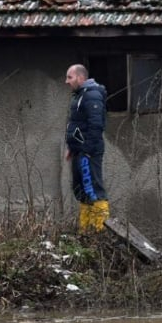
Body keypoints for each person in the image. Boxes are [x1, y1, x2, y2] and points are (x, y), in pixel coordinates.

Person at [64, 64, 110, 232]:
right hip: (79, 152)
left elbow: (96, 126)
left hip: (88, 153)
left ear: (81, 78)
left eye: (70, 77)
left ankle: (99, 232)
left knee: (94, 191)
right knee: (81, 191)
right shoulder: (80, 95)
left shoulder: (92, 95)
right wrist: (72, 147)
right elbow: (78, 124)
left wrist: (87, 150)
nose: (66, 81)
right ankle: (85, 232)